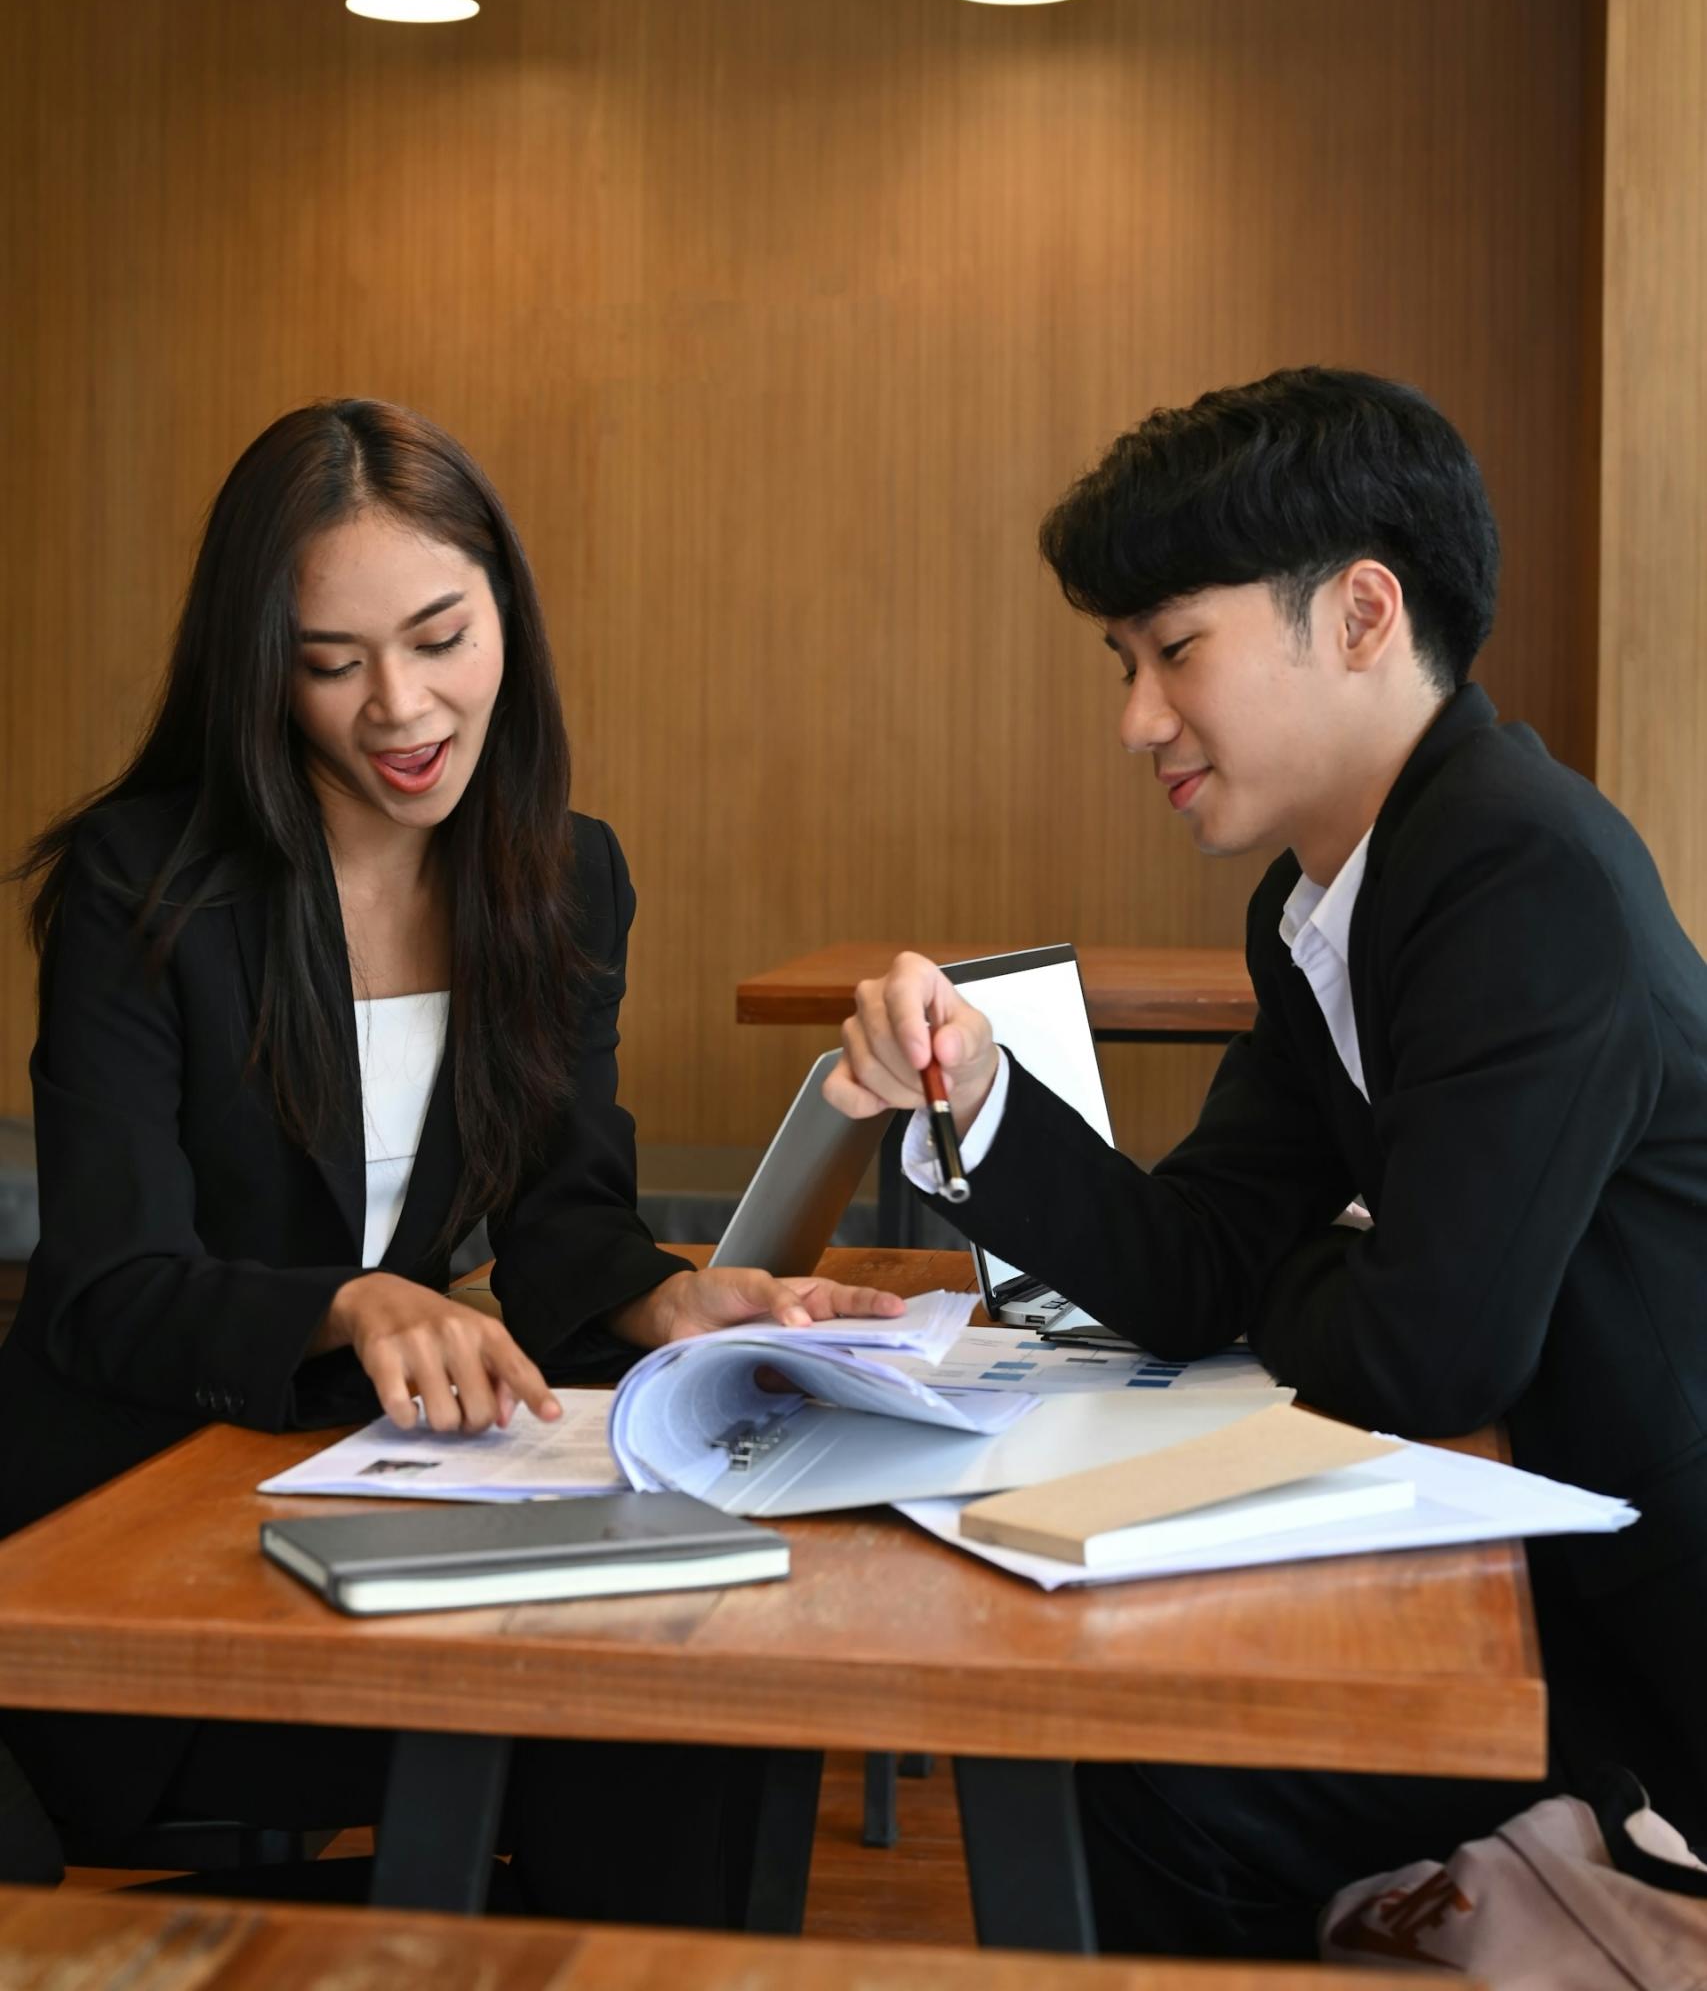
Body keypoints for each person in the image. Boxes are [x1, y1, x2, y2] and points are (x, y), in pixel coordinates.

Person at [827, 367, 1707, 1958]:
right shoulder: (1331, 904)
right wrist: (979, 1101)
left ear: (1362, 613)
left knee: (1157, 1784)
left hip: (1656, 1645)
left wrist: (1320, 1275)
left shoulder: (1521, 872)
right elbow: (1198, 1265)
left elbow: (1430, 1348)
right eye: (1123, 661)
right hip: (1549, 1575)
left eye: (1176, 651)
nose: (1136, 717)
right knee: (1130, 1761)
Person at [0, 396, 902, 1916]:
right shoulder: (146, 887)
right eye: (331, 663)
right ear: (258, 672)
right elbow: (106, 1286)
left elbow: (565, 1227)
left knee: (706, 1719)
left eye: (440, 638)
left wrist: (669, 1304)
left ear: (507, 619)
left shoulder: (561, 875)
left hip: (387, 1498)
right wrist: (347, 1301)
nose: (401, 709)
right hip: (139, 1528)